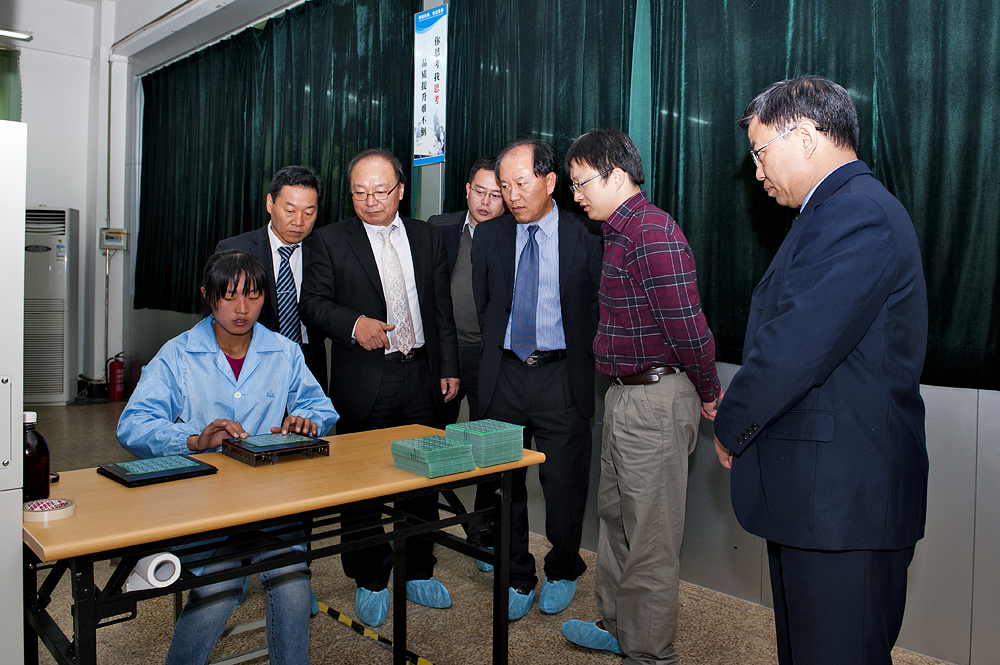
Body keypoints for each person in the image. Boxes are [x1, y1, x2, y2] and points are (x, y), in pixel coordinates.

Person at [713, 75, 929, 665]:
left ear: (806, 137)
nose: (758, 172)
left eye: (760, 152)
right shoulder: (833, 211)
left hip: (843, 503)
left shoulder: (856, 214)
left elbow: (794, 346)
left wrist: (731, 424)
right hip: (821, 499)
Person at [117, 250, 339, 665]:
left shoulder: (285, 351)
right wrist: (193, 439)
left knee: (293, 587)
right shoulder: (178, 354)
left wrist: (307, 422)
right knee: (217, 591)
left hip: (272, 504)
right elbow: (134, 425)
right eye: (229, 296)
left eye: (253, 296)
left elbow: (320, 408)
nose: (242, 309)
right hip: (205, 509)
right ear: (207, 295)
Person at [559, 129, 723, 664]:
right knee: (616, 518)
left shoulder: (652, 232)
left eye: (581, 183)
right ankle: (618, 626)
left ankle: (649, 653)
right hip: (624, 396)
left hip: (655, 397)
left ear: (616, 175)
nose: (576, 196)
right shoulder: (617, 232)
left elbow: (689, 327)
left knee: (650, 536)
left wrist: (710, 392)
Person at [299, 148, 460, 627]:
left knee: (422, 479)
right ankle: (369, 576)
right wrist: (354, 325)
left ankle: (418, 569)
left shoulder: (428, 237)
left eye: (380, 191)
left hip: (422, 372)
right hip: (367, 377)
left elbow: (441, 309)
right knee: (362, 486)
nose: (371, 201)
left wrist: (449, 366)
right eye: (360, 193)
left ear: (401, 190)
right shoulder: (329, 240)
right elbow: (313, 305)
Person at [471, 138, 602, 620]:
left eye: (521, 184)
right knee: (504, 484)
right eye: (504, 186)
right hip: (504, 373)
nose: (511, 196)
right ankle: (517, 575)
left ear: (550, 181)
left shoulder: (587, 234)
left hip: (561, 374)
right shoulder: (489, 236)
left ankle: (564, 568)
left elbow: (595, 308)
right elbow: (487, 307)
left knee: (563, 483)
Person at [217, 166, 328, 391]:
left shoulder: (324, 251)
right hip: (250, 360)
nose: (299, 221)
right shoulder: (234, 250)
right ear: (270, 203)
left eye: (308, 213)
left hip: (307, 361)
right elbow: (217, 315)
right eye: (289, 211)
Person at [427, 155, 506, 424]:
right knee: (435, 431)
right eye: (480, 191)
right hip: (443, 349)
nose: (485, 202)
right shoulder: (438, 228)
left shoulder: (514, 236)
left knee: (486, 432)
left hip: (488, 353)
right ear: (467, 190)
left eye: (495, 195)